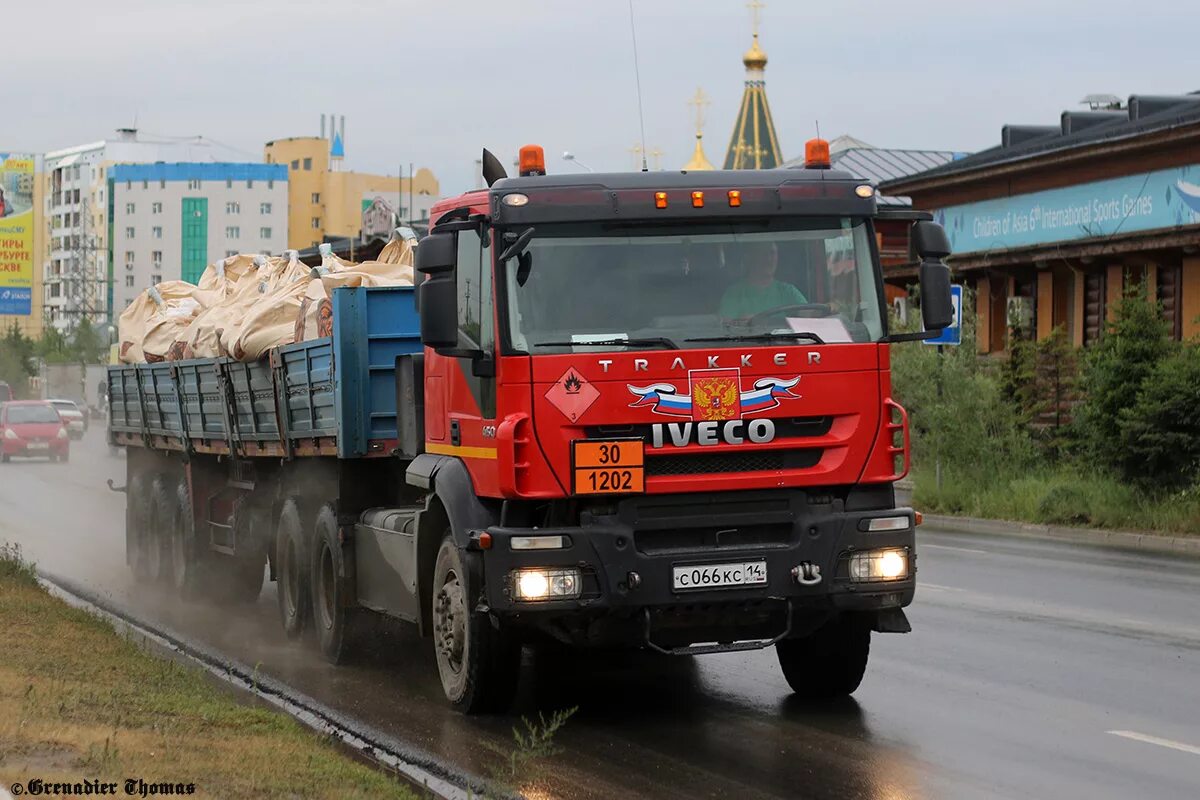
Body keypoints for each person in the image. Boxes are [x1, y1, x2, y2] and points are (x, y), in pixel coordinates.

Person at [718, 241, 807, 320]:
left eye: (772, 253)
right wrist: (741, 323)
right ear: (750, 258)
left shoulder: (788, 291)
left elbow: (808, 314)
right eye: (763, 254)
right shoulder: (734, 294)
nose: (769, 259)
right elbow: (726, 326)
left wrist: (814, 313)